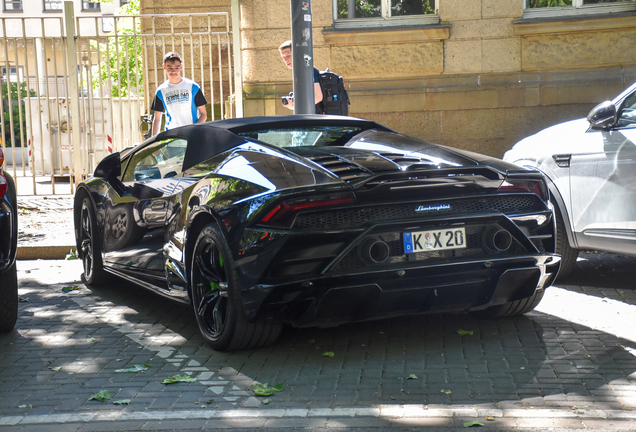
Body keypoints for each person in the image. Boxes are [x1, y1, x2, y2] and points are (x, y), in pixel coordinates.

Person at [151, 52, 207, 135]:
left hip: (191, 136)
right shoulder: (161, 91)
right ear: (164, 67)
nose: (173, 71)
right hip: (172, 138)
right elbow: (157, 119)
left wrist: (195, 131)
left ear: (181, 67)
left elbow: (203, 114)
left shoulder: (193, 87)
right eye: (169, 68)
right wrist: (154, 142)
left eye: (177, 67)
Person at [278, 41, 323, 113]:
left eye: (288, 56)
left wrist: (297, 107)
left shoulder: (308, 71)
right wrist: (293, 106)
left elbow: (318, 97)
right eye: (283, 57)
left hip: (316, 119)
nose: (285, 60)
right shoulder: (299, 72)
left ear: (297, 54)